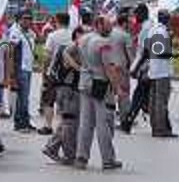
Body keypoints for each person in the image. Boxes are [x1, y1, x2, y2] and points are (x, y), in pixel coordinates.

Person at [75, 15, 123, 170]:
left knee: (85, 123)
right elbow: (108, 68)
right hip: (99, 84)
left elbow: (71, 53)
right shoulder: (103, 43)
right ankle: (108, 159)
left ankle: (81, 157)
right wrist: (117, 88)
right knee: (103, 123)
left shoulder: (82, 39)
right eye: (109, 25)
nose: (111, 28)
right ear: (99, 25)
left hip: (84, 82)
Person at [42, 25, 85, 164]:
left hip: (65, 90)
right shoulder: (71, 49)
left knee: (68, 122)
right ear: (77, 36)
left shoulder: (70, 49)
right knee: (70, 123)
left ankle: (56, 149)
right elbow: (67, 63)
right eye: (83, 35)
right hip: (68, 91)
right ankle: (64, 153)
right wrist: (79, 68)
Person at [39, 12, 72, 135]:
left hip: (53, 73)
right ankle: (62, 126)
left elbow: (47, 56)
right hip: (69, 73)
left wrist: (44, 71)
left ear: (57, 21)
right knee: (64, 100)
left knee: (49, 100)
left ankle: (48, 125)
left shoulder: (53, 36)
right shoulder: (72, 35)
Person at [121, 3, 152, 132]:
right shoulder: (147, 26)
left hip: (145, 66)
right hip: (147, 66)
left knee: (139, 94)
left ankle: (129, 120)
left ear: (143, 14)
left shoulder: (146, 29)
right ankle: (133, 117)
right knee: (142, 94)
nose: (135, 17)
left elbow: (145, 51)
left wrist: (135, 68)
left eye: (136, 14)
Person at [147, 9, 178, 138]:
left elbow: (148, 48)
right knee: (161, 102)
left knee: (154, 101)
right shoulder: (161, 31)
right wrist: (173, 54)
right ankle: (160, 129)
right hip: (162, 71)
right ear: (166, 19)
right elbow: (160, 52)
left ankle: (156, 126)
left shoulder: (153, 30)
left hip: (154, 69)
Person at [8, 9, 38, 133]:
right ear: (19, 20)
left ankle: (24, 121)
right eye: (25, 18)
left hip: (28, 68)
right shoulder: (15, 32)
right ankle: (20, 123)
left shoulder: (30, 32)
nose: (28, 21)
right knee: (23, 97)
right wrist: (12, 74)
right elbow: (10, 53)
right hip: (20, 69)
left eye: (30, 18)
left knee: (25, 97)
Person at [110, 10, 134, 125]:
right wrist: (133, 68)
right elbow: (130, 54)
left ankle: (109, 117)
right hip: (121, 68)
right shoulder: (125, 35)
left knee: (110, 93)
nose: (131, 25)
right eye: (129, 23)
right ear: (124, 23)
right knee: (123, 94)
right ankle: (125, 118)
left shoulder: (110, 32)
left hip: (109, 66)